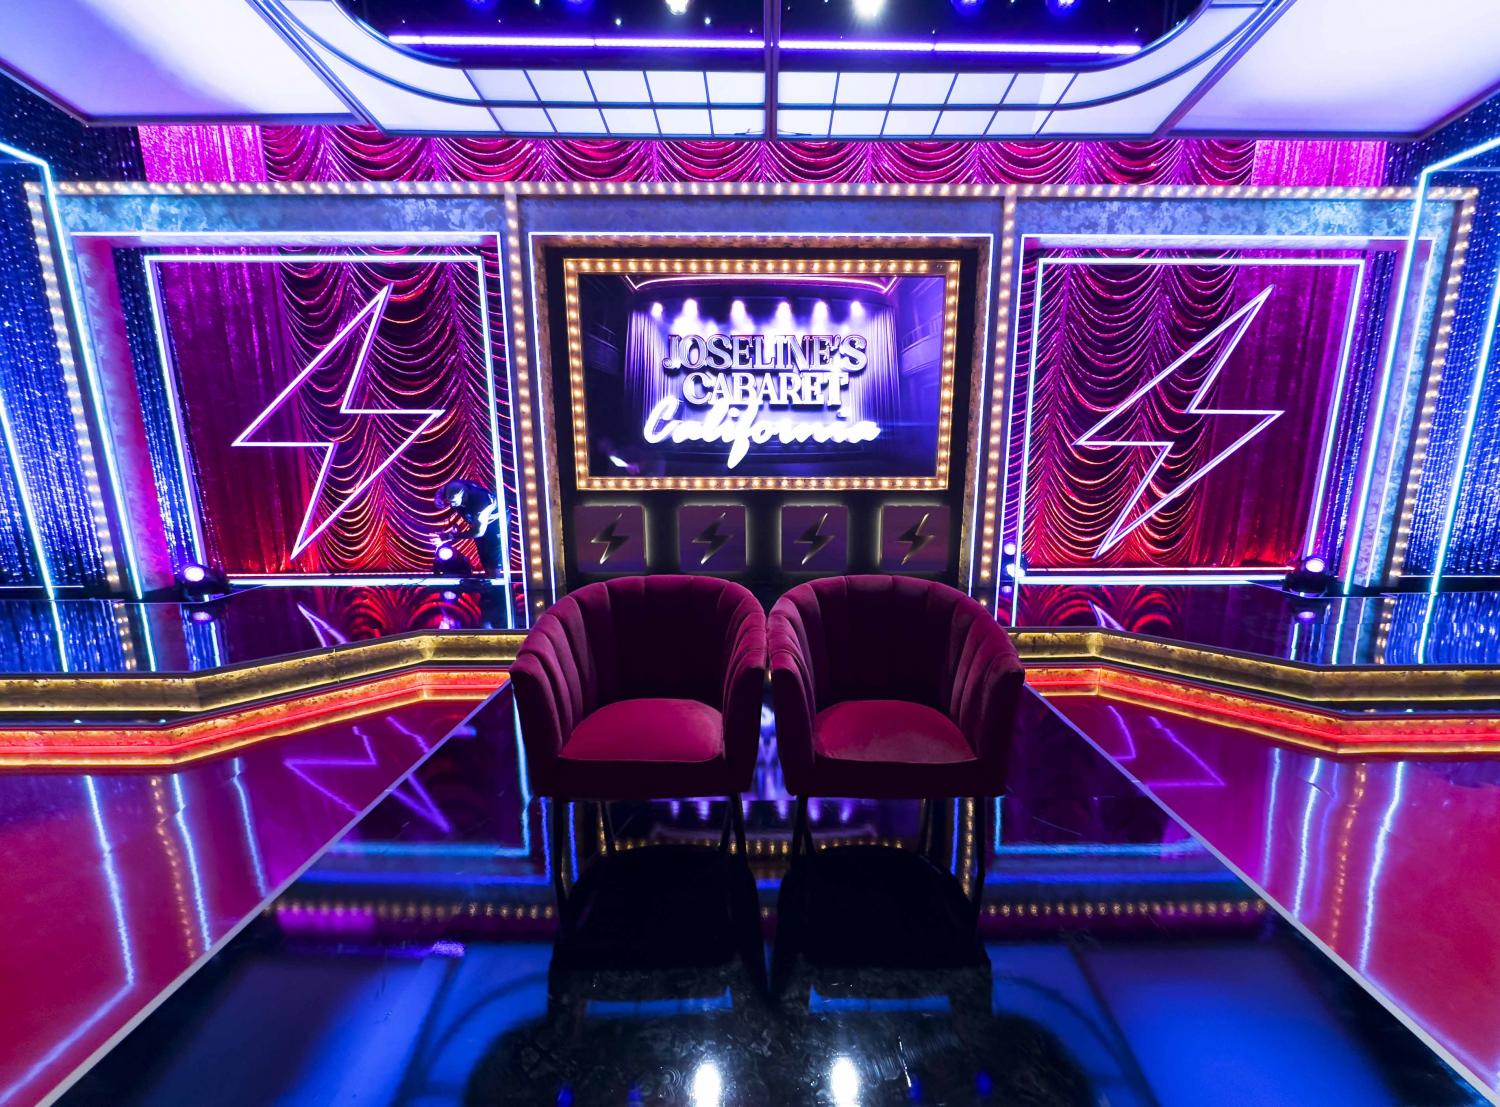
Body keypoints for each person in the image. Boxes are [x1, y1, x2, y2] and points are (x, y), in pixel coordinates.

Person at [435, 479, 505, 580]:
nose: (452, 505)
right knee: (483, 554)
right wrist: (454, 530)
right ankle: (490, 578)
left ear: (463, 496)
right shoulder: (457, 489)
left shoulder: (480, 504)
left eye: (453, 502)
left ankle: (497, 581)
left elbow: (478, 532)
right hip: (479, 520)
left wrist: (452, 536)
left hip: (495, 522)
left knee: (492, 555)